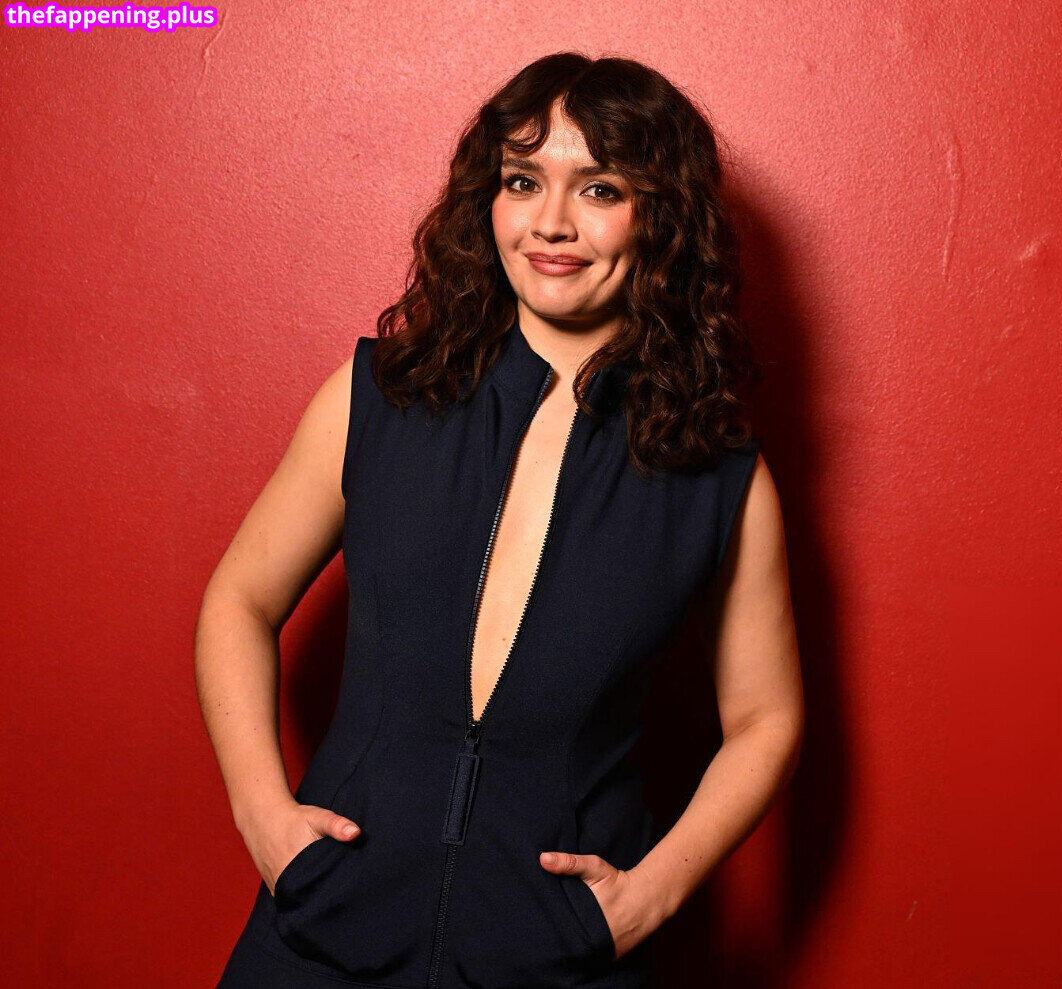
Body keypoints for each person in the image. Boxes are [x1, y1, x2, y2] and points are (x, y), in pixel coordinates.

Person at [197, 52, 803, 989]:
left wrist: (651, 897)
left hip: (557, 952)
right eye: (523, 180)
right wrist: (262, 816)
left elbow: (765, 717)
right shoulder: (379, 397)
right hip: (327, 925)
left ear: (664, 216)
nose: (550, 222)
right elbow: (238, 599)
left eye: (600, 188)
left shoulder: (717, 476)